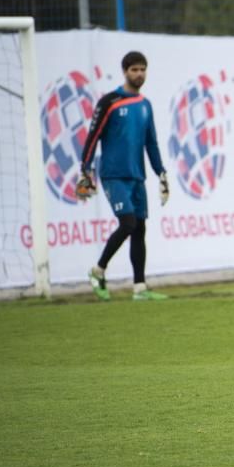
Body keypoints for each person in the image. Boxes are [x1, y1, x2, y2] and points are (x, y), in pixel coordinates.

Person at [77, 51, 169, 301]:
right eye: (134, 70)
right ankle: (98, 270)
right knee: (128, 223)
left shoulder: (145, 105)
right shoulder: (110, 101)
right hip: (113, 175)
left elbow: (151, 143)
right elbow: (93, 135)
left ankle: (139, 287)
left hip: (137, 176)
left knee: (139, 228)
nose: (139, 74)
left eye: (143, 69)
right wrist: (85, 169)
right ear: (125, 71)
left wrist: (161, 172)